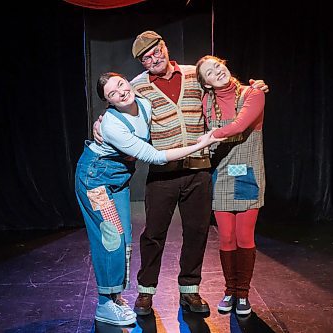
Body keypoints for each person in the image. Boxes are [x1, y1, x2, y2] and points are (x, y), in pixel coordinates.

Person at [93, 30, 268, 316]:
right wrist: (100, 123)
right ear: (141, 62)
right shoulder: (136, 86)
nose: (154, 58)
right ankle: (146, 291)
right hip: (163, 173)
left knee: (197, 232)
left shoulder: (193, 75)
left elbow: (225, 89)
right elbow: (119, 108)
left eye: (156, 50)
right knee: (154, 235)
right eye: (146, 57)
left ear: (165, 47)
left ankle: (190, 290)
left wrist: (255, 86)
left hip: (199, 170)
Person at [75, 72, 223, 326]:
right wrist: (200, 145)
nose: (121, 92)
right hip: (96, 180)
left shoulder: (142, 102)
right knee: (111, 239)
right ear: (109, 102)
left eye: (121, 84)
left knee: (124, 239)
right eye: (113, 94)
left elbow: (149, 73)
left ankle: (114, 297)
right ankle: (104, 303)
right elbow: (154, 156)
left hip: (118, 180)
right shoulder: (111, 124)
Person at [195, 55, 266, 316]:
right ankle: (229, 290)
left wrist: (211, 135)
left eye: (218, 66)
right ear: (207, 84)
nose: (218, 72)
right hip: (222, 174)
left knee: (244, 236)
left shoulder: (253, 93)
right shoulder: (206, 102)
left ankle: (243, 294)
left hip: (247, 172)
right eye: (210, 73)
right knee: (226, 237)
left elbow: (239, 125)